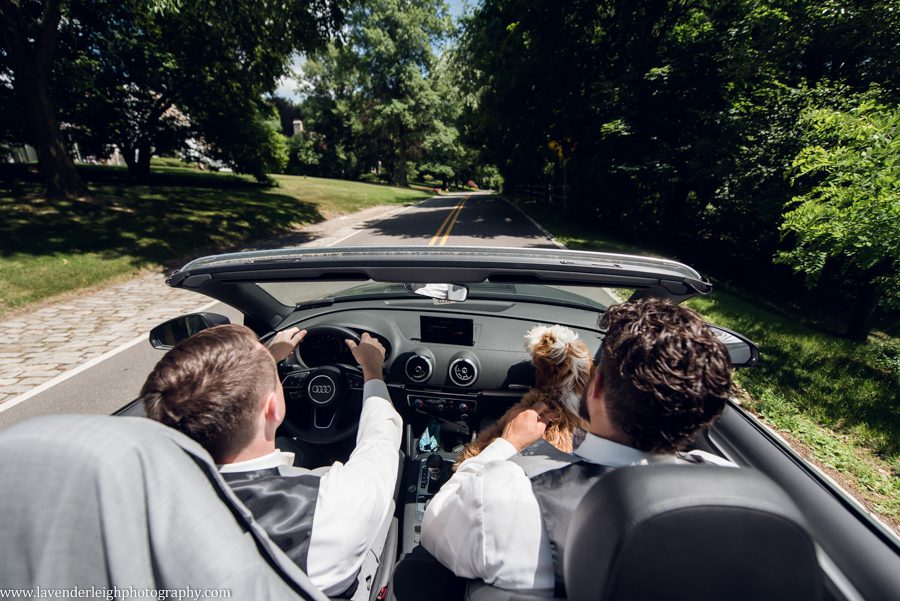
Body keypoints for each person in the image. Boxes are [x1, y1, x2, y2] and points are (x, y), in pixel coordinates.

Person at [420, 298, 735, 596]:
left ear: (595, 386)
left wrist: (505, 444)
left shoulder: (507, 492)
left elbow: (434, 527)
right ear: (703, 416)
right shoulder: (728, 491)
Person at [140, 324, 401, 599]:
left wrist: (265, 360)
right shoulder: (331, 504)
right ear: (273, 407)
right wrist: (373, 371)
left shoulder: (142, 508)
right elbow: (380, 438)